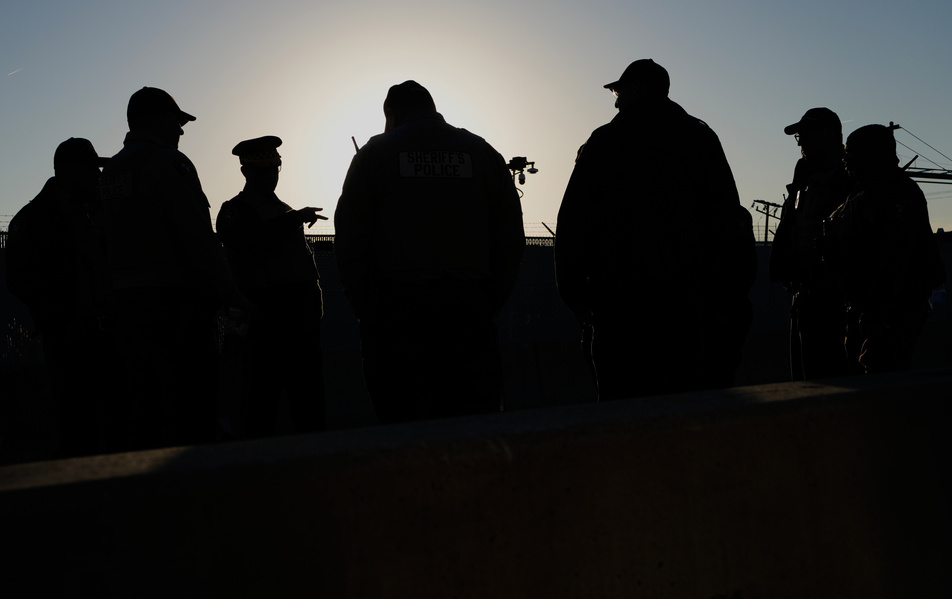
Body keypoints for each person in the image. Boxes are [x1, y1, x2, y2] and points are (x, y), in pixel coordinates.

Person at [555, 59, 756, 401]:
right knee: (689, 407)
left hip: (621, 306)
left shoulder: (606, 142)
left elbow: (574, 220)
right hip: (691, 305)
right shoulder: (700, 138)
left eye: (619, 90)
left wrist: (574, 292)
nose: (615, 100)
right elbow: (729, 219)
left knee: (625, 410)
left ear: (637, 89)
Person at [334, 80, 525, 423]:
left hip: (399, 314)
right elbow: (510, 238)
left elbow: (350, 242)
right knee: (474, 428)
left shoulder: (374, 155)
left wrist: (369, 312)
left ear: (391, 114)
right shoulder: (482, 153)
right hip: (469, 311)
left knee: (407, 429)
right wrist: (489, 301)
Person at [98, 87, 249, 451]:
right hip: (176, 310)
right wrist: (231, 294)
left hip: (124, 310)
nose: (181, 132)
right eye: (177, 122)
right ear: (159, 120)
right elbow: (198, 238)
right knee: (191, 412)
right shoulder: (168, 164)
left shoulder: (110, 171)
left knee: (144, 410)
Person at [5, 137, 112, 457]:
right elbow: (19, 279)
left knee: (105, 418)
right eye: (90, 168)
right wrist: (65, 318)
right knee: (77, 422)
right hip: (69, 337)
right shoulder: (34, 219)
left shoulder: (97, 210)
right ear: (66, 170)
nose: (97, 174)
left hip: (105, 331)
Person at [216, 136, 328, 437]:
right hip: (266, 317)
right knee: (260, 399)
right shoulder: (236, 210)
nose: (271, 177)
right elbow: (249, 241)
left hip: (300, 319)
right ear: (246, 173)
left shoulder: (282, 209)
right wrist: (293, 219)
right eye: (263, 171)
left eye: (275, 169)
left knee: (309, 400)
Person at [823, 124, 946, 374]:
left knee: (883, 383)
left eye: (852, 154)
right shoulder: (864, 196)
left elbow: (895, 261)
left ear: (873, 156)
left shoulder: (898, 194)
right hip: (869, 311)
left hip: (892, 316)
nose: (847, 161)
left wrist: (877, 320)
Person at [769, 108, 854, 380]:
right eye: (799, 137)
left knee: (833, 379)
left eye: (806, 135)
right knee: (806, 380)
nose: (801, 143)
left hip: (836, 301)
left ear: (829, 136)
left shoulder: (851, 179)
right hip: (805, 296)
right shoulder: (804, 179)